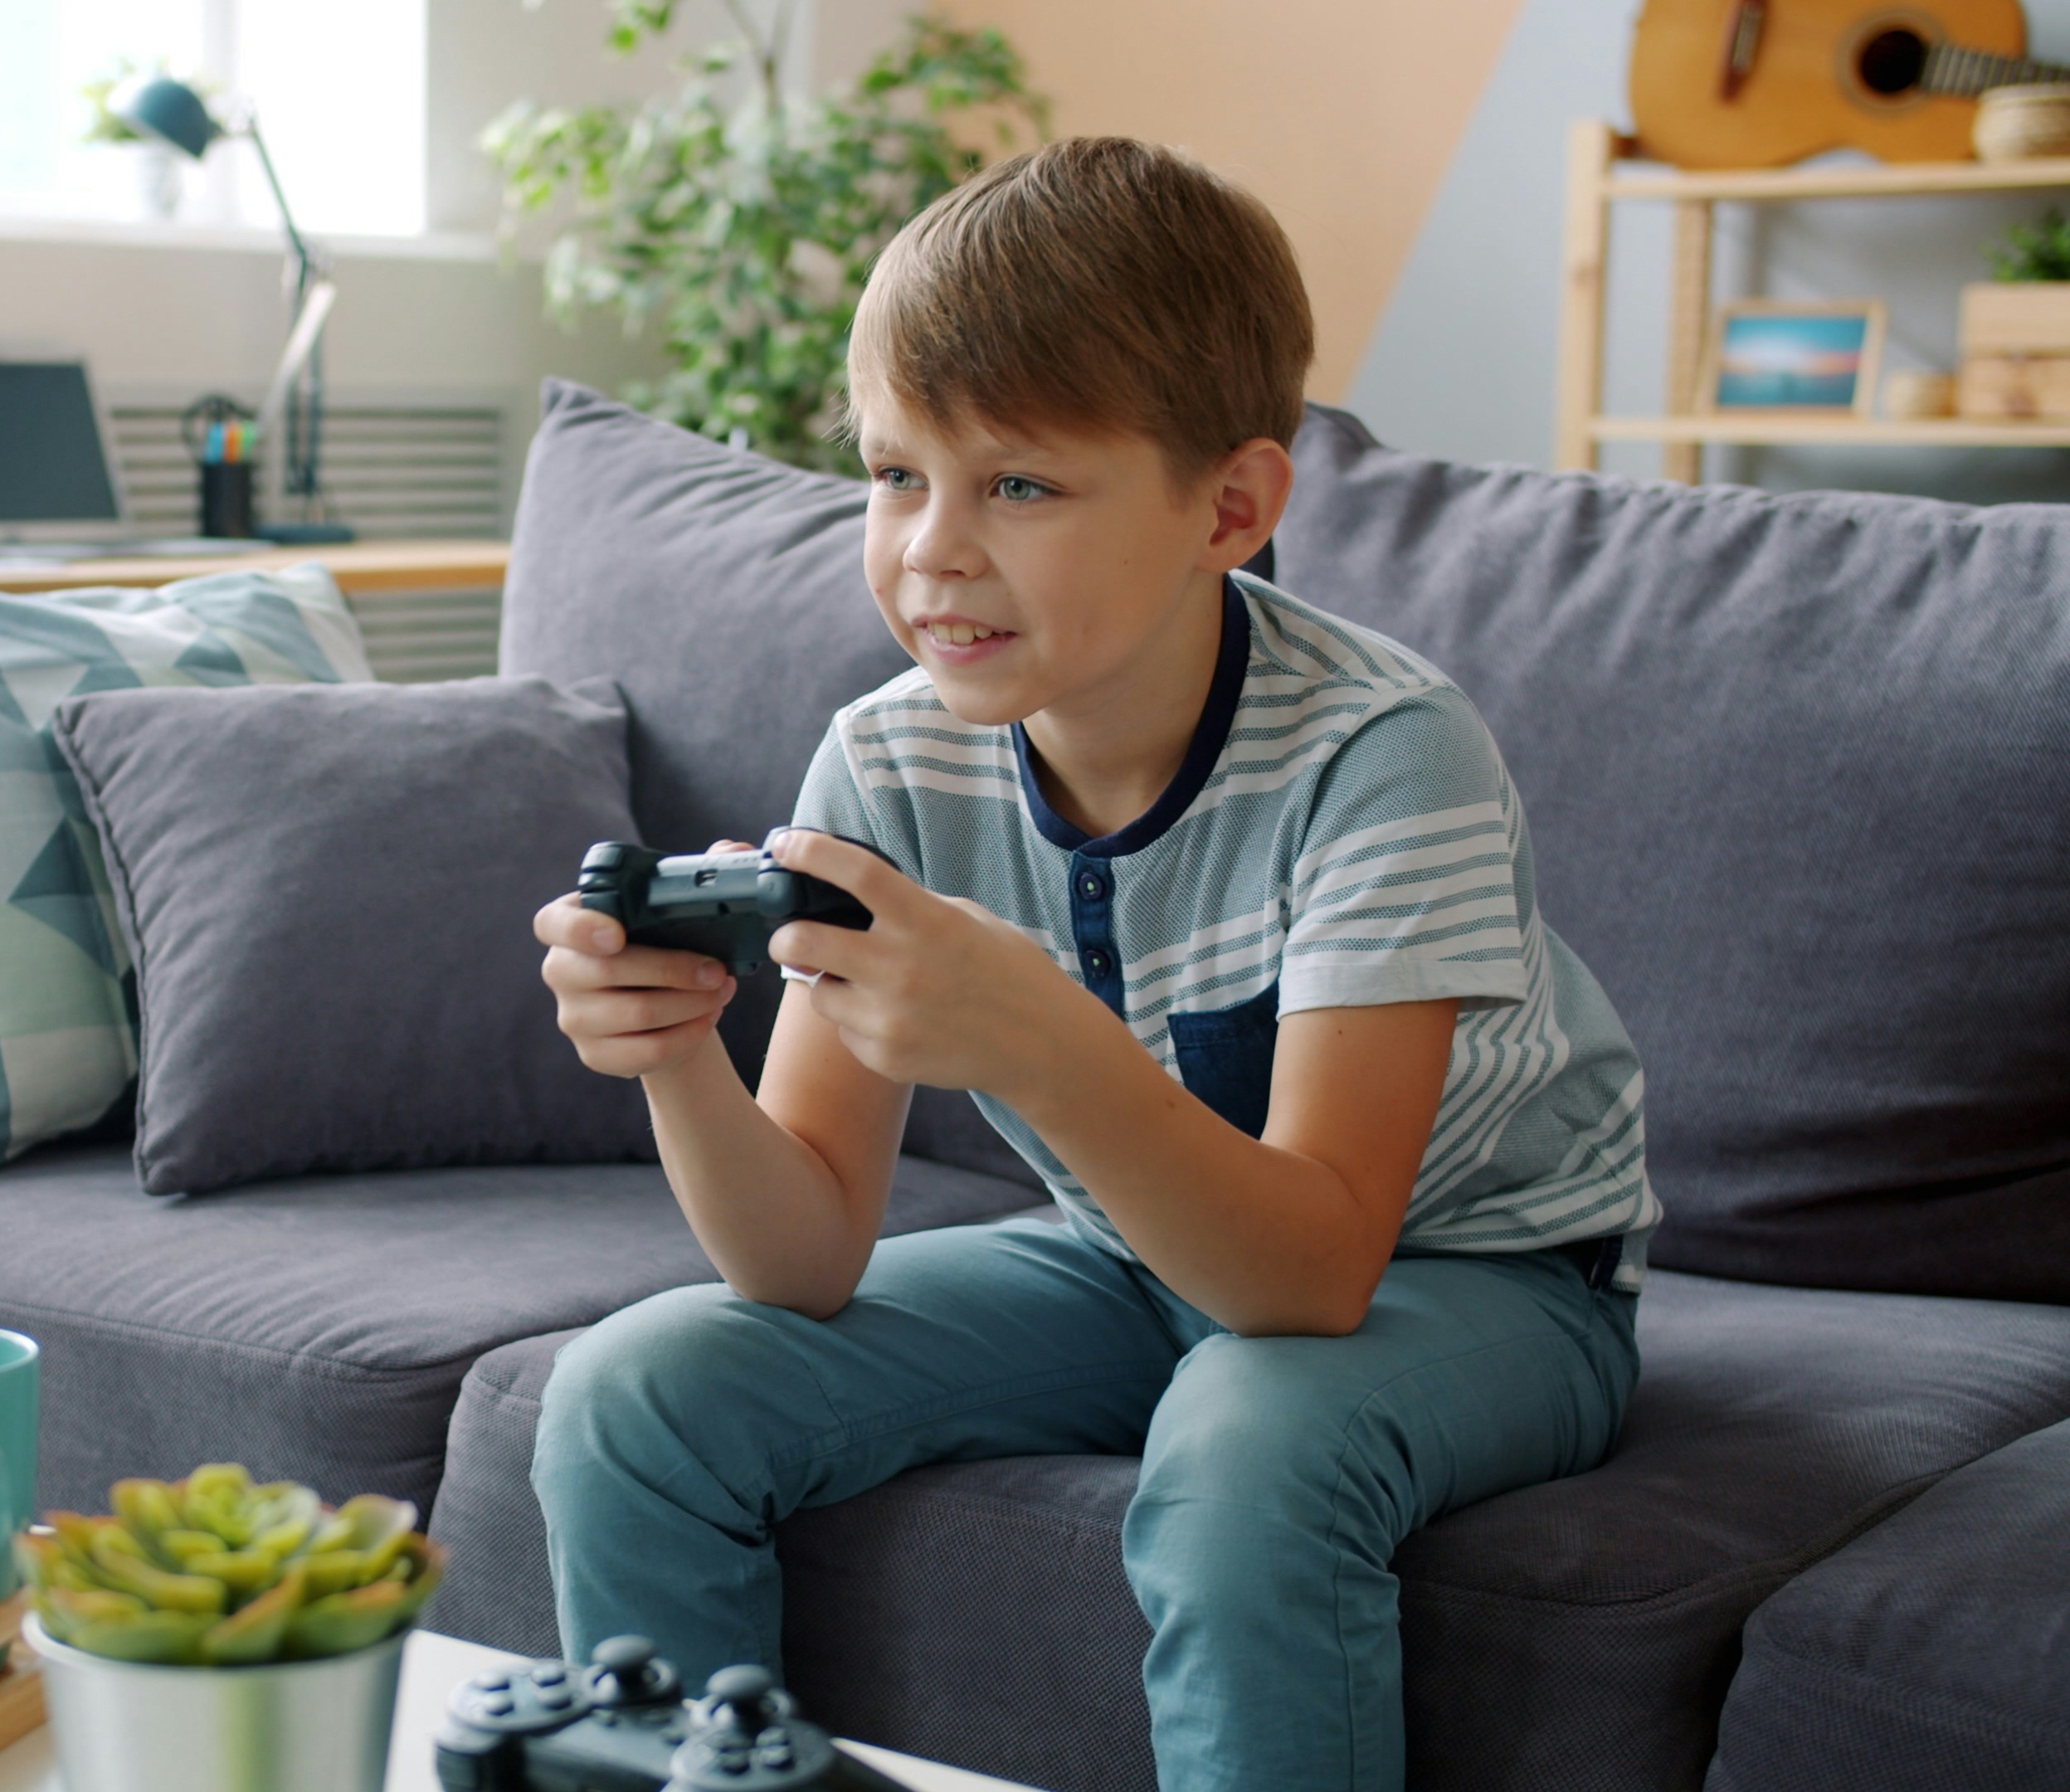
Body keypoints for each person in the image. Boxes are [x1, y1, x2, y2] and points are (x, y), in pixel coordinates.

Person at [528, 136, 1656, 1792]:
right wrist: (678, 1055)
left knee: (1247, 1442)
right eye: (896, 473)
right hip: (1130, 1254)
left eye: (1020, 486)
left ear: (1232, 508)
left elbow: (1310, 1282)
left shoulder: (1384, 754)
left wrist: (1041, 1044)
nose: (931, 548)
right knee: (634, 1392)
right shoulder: (886, 763)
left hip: (1489, 1277)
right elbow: (802, 1260)